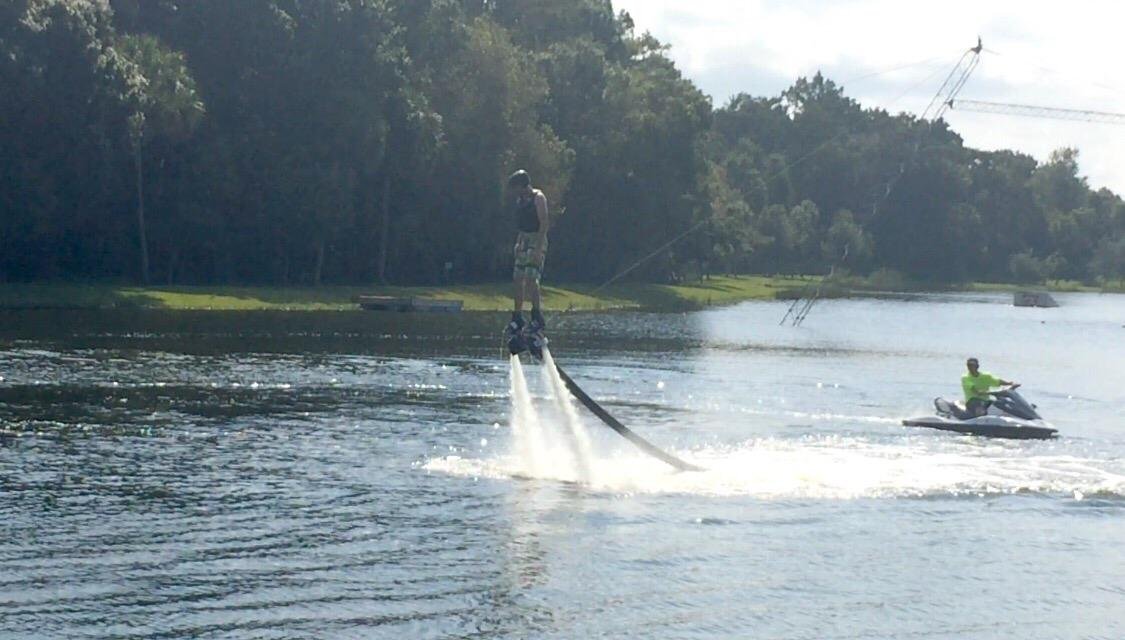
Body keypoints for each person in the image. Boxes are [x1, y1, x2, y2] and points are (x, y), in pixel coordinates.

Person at [506, 169, 549, 335]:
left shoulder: (538, 198)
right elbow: (521, 225)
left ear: (523, 185)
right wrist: (517, 243)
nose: (514, 191)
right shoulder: (520, 200)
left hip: (536, 238)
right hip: (523, 239)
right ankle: (517, 317)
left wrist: (538, 248)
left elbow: (544, 222)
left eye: (516, 187)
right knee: (518, 278)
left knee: (531, 278)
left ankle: (536, 316)